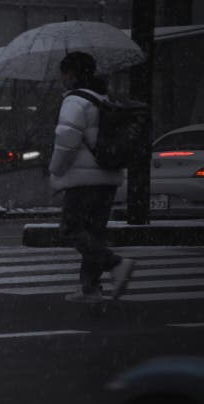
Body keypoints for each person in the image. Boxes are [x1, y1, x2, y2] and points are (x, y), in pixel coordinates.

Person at [49, 52, 135, 303]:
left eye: (64, 73)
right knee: (94, 233)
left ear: (72, 74)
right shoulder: (103, 98)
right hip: (107, 175)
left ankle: (116, 263)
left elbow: (67, 140)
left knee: (70, 229)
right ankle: (90, 288)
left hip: (83, 178)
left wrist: (56, 170)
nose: (62, 78)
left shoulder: (75, 101)